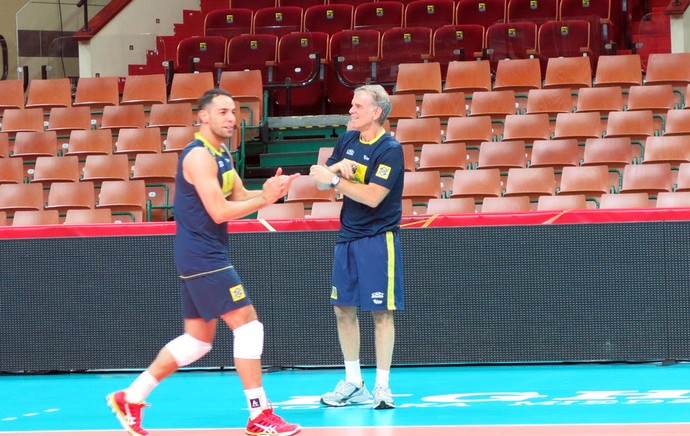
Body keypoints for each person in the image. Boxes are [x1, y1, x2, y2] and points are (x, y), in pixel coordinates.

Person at [106, 88, 302, 436]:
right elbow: (220, 210)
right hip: (202, 254)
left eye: (235, 113)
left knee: (198, 341)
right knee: (248, 325)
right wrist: (265, 199)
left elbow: (239, 196)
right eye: (224, 111)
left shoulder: (221, 152)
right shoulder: (198, 156)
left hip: (204, 252)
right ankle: (259, 414)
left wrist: (269, 192)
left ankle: (130, 398)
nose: (232, 118)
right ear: (203, 117)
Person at [309, 84, 405, 410]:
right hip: (347, 236)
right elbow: (317, 177)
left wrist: (336, 180)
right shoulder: (347, 139)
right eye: (352, 105)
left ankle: (382, 386)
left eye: (358, 106)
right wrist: (334, 170)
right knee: (342, 310)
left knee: (381, 312)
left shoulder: (390, 149)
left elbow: (373, 197)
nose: (351, 110)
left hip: (378, 237)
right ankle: (354, 383)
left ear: (376, 112)